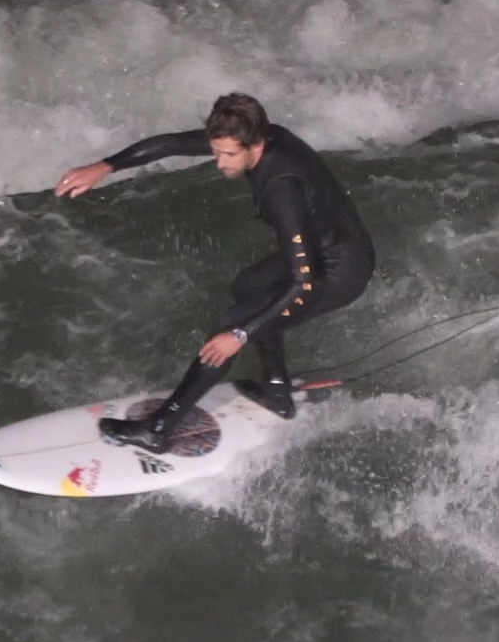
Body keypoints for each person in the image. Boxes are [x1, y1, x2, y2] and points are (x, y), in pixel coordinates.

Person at [54, 93, 376, 452]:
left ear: (256, 143)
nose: (220, 163)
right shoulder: (259, 135)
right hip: (326, 248)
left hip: (340, 270)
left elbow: (304, 283)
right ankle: (276, 389)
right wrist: (105, 166)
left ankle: (158, 429)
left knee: (229, 327)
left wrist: (240, 334)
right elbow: (173, 144)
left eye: (230, 155)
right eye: (216, 151)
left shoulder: (281, 189)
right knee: (249, 286)